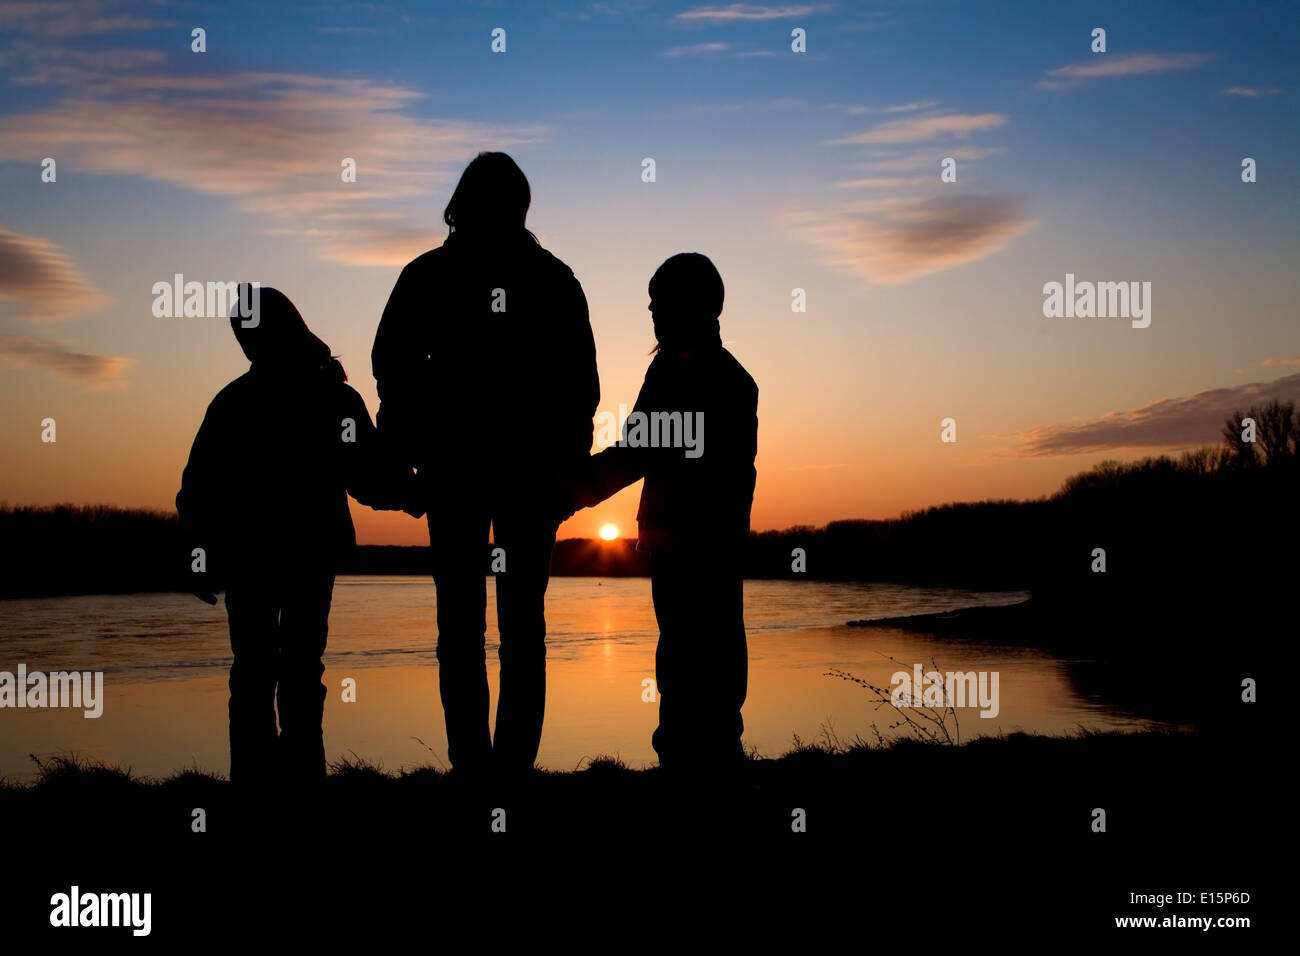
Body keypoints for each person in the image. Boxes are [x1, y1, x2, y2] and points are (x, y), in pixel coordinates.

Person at [371, 152, 599, 775]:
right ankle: (503, 771)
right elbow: (581, 388)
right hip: (502, 472)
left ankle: (478, 770)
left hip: (470, 471)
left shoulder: (431, 275)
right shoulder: (551, 278)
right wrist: (566, 465)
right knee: (516, 629)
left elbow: (392, 369)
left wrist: (410, 444)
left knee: (467, 630)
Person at [177, 285, 417, 785]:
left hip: (265, 556)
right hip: (295, 553)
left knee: (262, 672)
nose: (246, 342)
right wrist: (419, 495)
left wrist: (198, 553)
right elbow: (199, 489)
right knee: (289, 672)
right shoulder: (327, 399)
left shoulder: (238, 402)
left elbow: (197, 490)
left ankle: (267, 787)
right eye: (241, 333)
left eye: (248, 332)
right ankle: (293, 788)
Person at [568, 253, 758, 771]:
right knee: (706, 650)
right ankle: (709, 761)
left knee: (690, 653)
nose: (652, 313)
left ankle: (692, 766)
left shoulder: (686, 374)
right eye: (651, 304)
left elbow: (638, 451)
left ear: (694, 306)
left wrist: (572, 491)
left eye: (661, 303)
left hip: (691, 540)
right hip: (703, 540)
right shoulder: (723, 377)